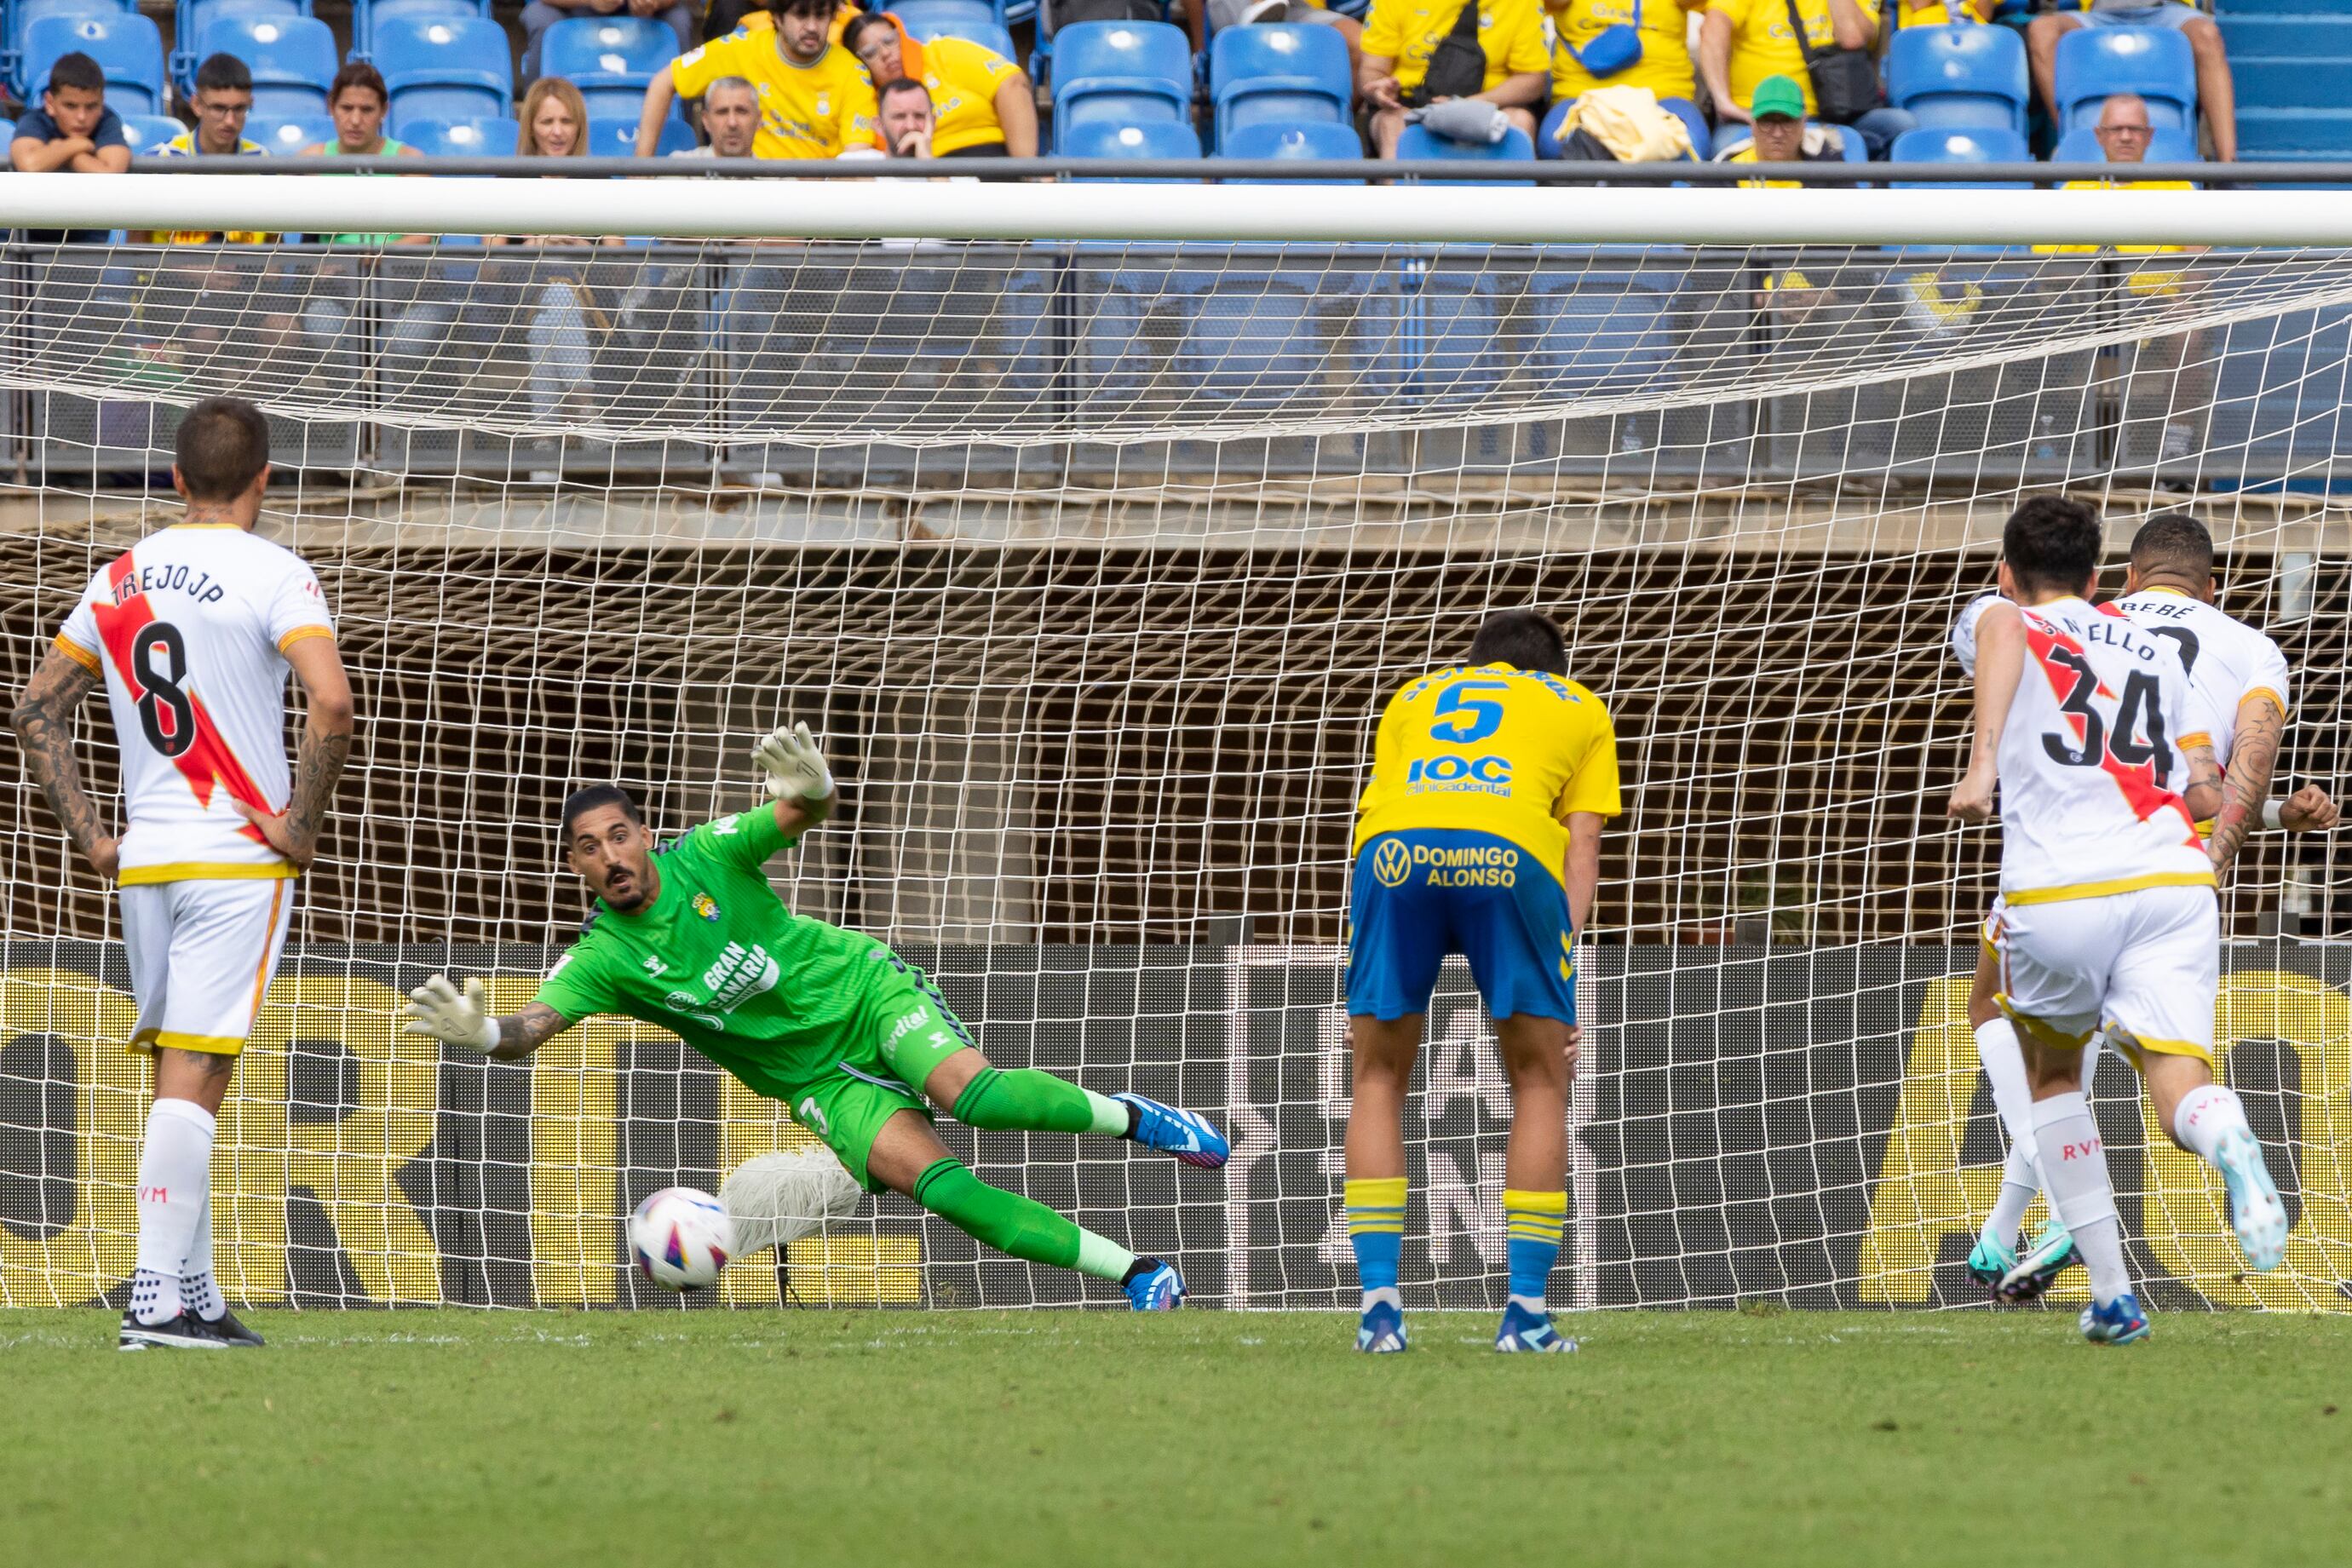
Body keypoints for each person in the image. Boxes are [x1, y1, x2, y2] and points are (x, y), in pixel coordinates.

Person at [398, 730, 1228, 1310]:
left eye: (619, 834)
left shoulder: (712, 851)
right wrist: (485, 1034)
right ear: (573, 863)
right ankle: (1137, 1270)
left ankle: (1139, 1118)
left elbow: (798, 812)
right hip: (819, 1079)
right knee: (952, 1196)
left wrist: (816, 787)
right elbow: (531, 1026)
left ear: (645, 835)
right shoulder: (604, 956)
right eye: (589, 845)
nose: (610, 855)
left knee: (976, 1096)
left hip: (865, 994)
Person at [9, 398, 354, 1351]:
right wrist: (297, 824)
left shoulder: (119, 575)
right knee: (194, 1074)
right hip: (234, 855)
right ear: (264, 480)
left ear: (173, 480)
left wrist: (91, 836)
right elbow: (331, 700)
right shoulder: (276, 571)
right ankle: (154, 1296)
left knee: (186, 1072)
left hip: (149, 859)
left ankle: (193, 1291)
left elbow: (36, 708)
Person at [1948, 513, 2336, 1301]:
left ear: (2121, 579)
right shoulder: (2245, 648)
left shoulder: (2073, 624)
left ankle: (2063, 1217)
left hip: (2062, 862)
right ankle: (2004, 1228)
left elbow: (2011, 661)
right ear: (2212, 585)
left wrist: (1983, 762)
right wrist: (2235, 840)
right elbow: (2217, 781)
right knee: (2163, 1073)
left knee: (2018, 1031)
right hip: (2173, 870)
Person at [1343, 610, 1619, 1353]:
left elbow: (1373, 816)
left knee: (1374, 1076)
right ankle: (1524, 1314)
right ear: (1551, 671)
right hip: (1509, 854)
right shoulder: (1581, 706)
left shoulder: (1412, 698)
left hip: (1394, 855)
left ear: (1473, 663)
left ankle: (1379, 1312)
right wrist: (1563, 963)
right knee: (1537, 1079)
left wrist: (1358, 956)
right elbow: (1582, 841)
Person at [635, 0, 879, 160]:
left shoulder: (852, 71)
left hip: (811, 205)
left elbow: (855, 158)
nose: (812, 27)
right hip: (747, 185)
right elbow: (663, 83)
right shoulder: (742, 47)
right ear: (777, 18)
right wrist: (639, 174)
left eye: (821, 15)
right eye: (801, 15)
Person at [1698, 0, 1915, 158]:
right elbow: (1713, 29)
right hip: (1761, 117)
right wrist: (1723, 102)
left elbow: (1852, 38)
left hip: (1835, 114)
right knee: (1725, 147)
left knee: (1900, 126)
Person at [2028, 0, 2235, 163]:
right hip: (2099, 13)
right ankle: (2073, 142)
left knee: (2207, 34)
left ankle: (2229, 166)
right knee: (2042, 29)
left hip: (2167, 10)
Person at [1360, 0, 1550, 158]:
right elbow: (1372, 69)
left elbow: (1533, 80)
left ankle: (1509, 204)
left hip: (1489, 104)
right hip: (1411, 104)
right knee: (1390, 123)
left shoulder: (1522, 3)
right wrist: (1379, 90)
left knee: (1520, 121)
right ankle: (1399, 202)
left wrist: (1467, 105)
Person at [842, 11, 1038, 158]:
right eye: (870, 52)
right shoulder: (860, 96)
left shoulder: (943, 53)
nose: (885, 53)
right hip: (921, 185)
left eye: (890, 40)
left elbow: (1012, 83)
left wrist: (1029, 174)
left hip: (991, 158)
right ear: (860, 64)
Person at [1541, 0, 1711, 160]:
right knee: (1553, 144)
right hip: (1582, 96)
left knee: (1692, 144)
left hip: (1664, 95)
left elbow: (1725, 14)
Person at [8, 52, 131, 246]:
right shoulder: (34, 119)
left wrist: (63, 151)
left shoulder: (108, 120)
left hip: (86, 242)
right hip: (23, 240)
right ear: (50, 102)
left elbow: (111, 174)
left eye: (91, 107)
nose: (81, 117)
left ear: (102, 102)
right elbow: (29, 164)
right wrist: (78, 145)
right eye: (70, 106)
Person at [150, 54, 271, 245]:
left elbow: (275, 256)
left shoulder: (264, 162)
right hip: (168, 275)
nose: (230, 121)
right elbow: (137, 257)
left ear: (251, 103)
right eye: (218, 108)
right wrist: (192, 271)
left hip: (247, 275)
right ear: (197, 105)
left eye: (240, 108)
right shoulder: (161, 160)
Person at [302, 62, 424, 247]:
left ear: (383, 110)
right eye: (347, 108)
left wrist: (375, 258)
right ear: (331, 106)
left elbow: (423, 236)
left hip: (396, 271)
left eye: (367, 110)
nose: (355, 120)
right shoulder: (310, 160)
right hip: (331, 271)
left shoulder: (410, 162)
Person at [1712, 72, 1849, 181]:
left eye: (1787, 121)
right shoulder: (1725, 173)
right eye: (1766, 122)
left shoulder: (1828, 169)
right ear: (1752, 123)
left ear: (1804, 122)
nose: (1778, 133)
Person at [521, 0, 699, 83]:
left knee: (678, 20)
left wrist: (654, 3)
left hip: (643, 13)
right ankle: (536, 125)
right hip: (572, 9)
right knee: (540, 17)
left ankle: (682, 128)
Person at [669, 74, 763, 159]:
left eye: (741, 111)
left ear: (758, 119)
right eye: (722, 112)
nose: (732, 123)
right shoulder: (680, 169)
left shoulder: (774, 176)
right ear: (706, 120)